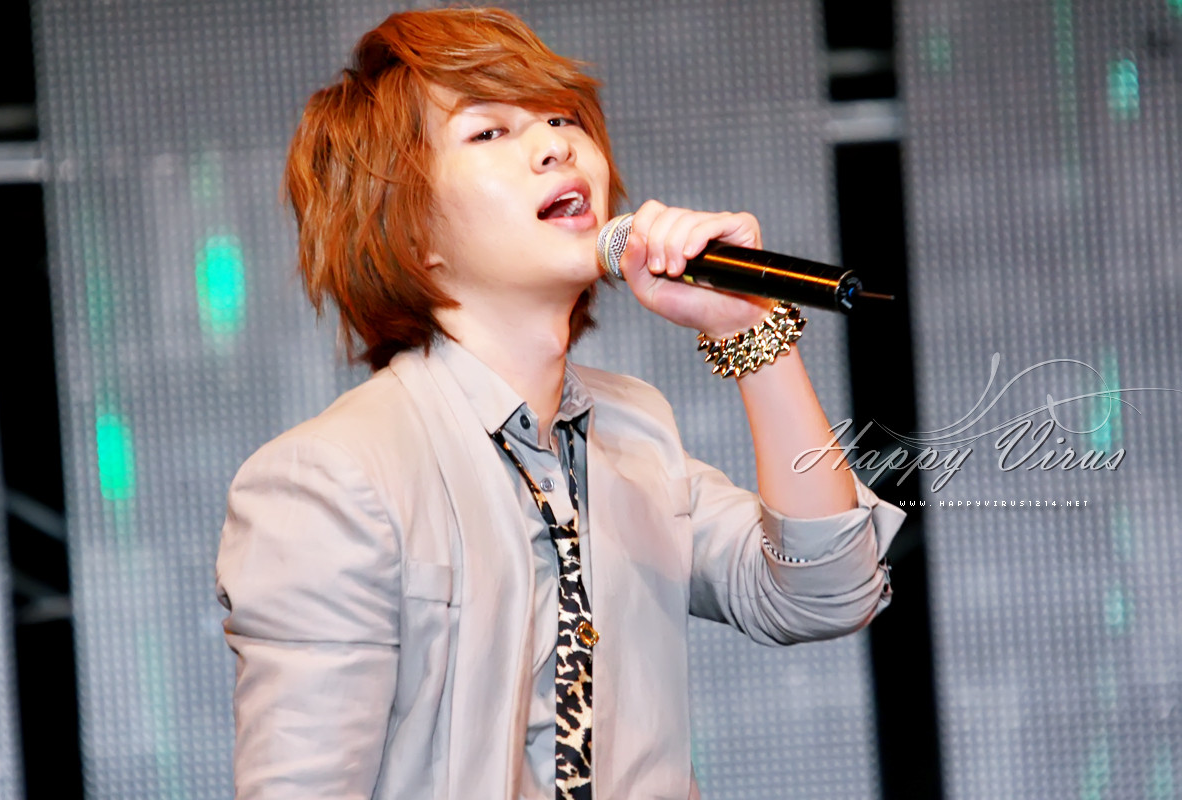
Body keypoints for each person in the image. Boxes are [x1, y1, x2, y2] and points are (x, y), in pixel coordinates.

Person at [215, 7, 904, 800]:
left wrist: (751, 330)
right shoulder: (329, 478)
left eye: (560, 118)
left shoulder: (636, 435)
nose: (555, 145)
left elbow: (826, 593)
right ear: (410, 236)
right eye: (488, 132)